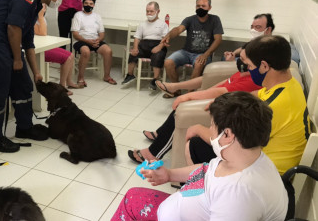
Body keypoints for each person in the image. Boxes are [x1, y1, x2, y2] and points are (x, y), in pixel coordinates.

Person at [113, 92, 288, 221]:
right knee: (132, 195)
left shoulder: (239, 195)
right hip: (180, 208)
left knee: (130, 203)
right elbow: (207, 169)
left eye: (212, 125)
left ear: (227, 135)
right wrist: (170, 174)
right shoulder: (243, 157)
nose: (210, 131)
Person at [187, 36, 310, 175]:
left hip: (265, 174)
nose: (249, 70)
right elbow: (258, 93)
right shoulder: (289, 84)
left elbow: (230, 144)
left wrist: (197, 128)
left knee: (193, 145)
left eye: (250, 66)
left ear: (264, 66)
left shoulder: (273, 107)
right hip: (271, 161)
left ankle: (202, 191)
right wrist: (227, 100)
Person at [0, 0, 66, 153]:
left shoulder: (35, 4)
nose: (59, 1)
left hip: (7, 42)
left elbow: (28, 41)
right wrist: (17, 59)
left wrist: (36, 72)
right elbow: (13, 28)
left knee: (23, 84)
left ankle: (24, 127)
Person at [128, 48, 261, 163]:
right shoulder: (244, 72)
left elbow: (222, 92)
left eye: (243, 60)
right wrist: (200, 94)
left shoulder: (251, 80)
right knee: (182, 105)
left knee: (180, 110)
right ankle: (161, 133)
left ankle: (153, 154)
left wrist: (191, 96)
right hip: (217, 98)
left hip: (220, 106)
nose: (239, 62)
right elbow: (223, 84)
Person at [161, 0, 223, 91]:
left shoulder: (215, 20)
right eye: (198, 6)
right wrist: (169, 35)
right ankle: (175, 90)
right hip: (186, 52)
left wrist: (206, 55)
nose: (200, 8)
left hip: (203, 53)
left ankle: (190, 93)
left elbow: (218, 39)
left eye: (203, 6)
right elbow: (178, 29)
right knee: (168, 62)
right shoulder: (189, 19)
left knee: (199, 64)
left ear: (209, 7)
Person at [34, 3, 82, 95]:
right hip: (36, 49)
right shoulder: (32, 19)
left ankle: (69, 82)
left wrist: (41, 16)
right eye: (42, 6)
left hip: (44, 46)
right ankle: (62, 87)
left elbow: (43, 35)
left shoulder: (42, 18)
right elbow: (43, 33)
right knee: (67, 58)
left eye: (45, 6)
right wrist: (40, 15)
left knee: (70, 55)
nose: (44, 8)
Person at [71, 0, 116, 86]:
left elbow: (102, 33)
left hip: (95, 41)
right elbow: (75, 34)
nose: (88, 5)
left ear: (94, 5)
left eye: (91, 4)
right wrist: (87, 41)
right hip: (81, 41)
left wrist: (98, 40)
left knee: (108, 51)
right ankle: (80, 78)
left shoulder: (97, 16)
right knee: (86, 52)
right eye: (86, 3)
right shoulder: (78, 15)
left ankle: (107, 76)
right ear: (83, 4)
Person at [121, 1, 169, 90]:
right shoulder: (142, 24)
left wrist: (159, 47)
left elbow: (165, 39)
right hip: (144, 45)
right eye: (147, 11)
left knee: (158, 56)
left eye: (151, 11)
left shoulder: (163, 24)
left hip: (158, 45)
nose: (149, 13)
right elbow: (137, 38)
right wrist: (135, 48)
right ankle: (130, 75)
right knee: (133, 54)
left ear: (158, 11)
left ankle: (155, 80)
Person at [224, 13, 300, 65]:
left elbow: (252, 68)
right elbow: (243, 48)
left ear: (268, 30)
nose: (253, 30)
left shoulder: (271, 48)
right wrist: (233, 53)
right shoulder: (257, 41)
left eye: (257, 27)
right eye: (252, 27)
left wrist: (232, 62)